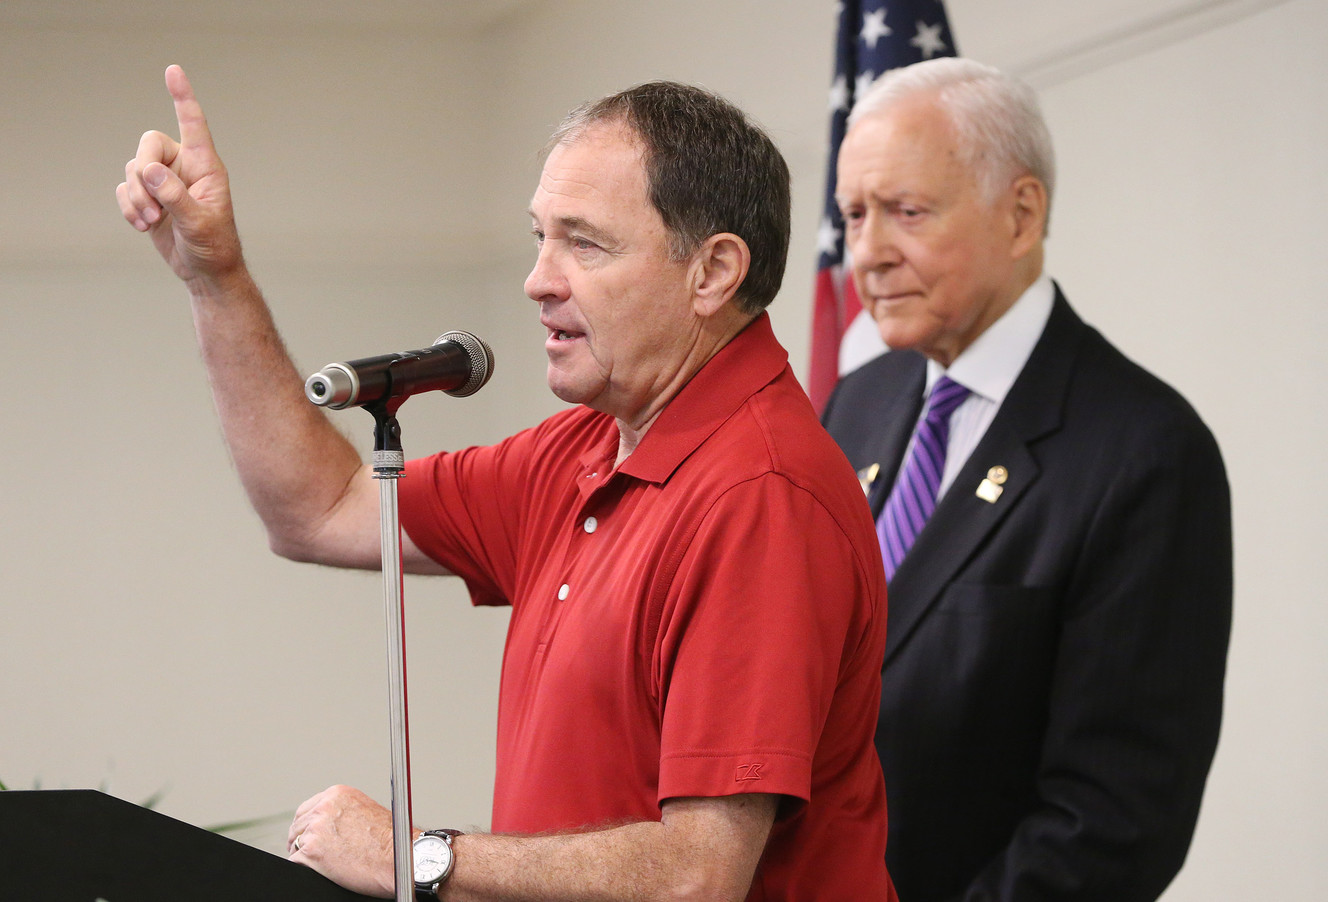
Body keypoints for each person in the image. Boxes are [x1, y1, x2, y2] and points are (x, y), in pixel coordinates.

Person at [118, 66, 895, 901]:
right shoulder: (584, 450)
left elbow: (698, 877)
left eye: (584, 243)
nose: (538, 279)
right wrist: (214, 277)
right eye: (539, 237)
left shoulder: (762, 496)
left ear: (712, 273)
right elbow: (322, 509)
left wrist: (420, 859)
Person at [822, 58, 1231, 902]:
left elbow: (1114, 820)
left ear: (1020, 214)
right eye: (854, 216)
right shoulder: (857, 402)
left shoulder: (1145, 452)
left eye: (906, 212)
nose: (868, 254)